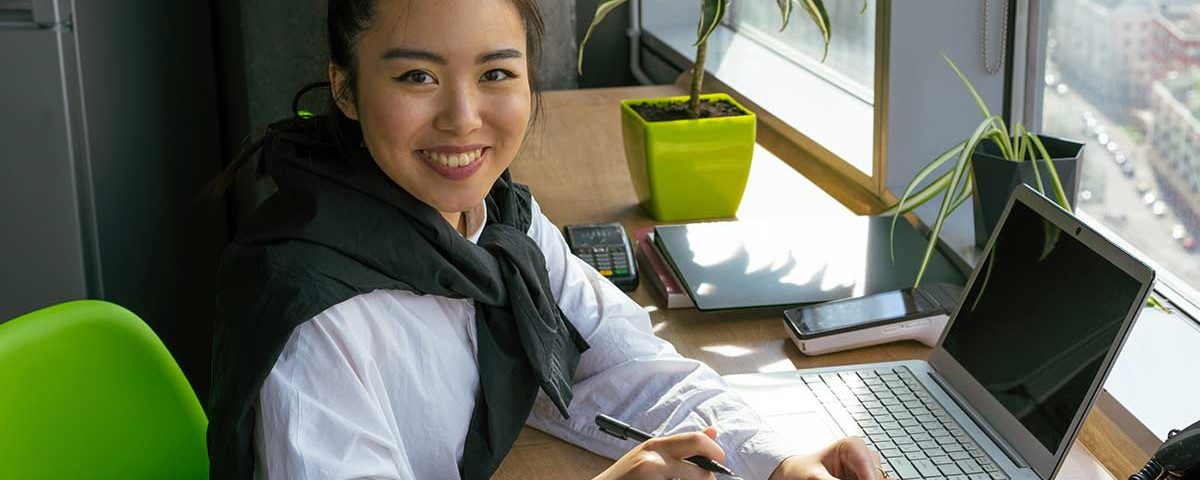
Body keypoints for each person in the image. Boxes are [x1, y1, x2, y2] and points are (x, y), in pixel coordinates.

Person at [206, 0, 886, 479]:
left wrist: (775, 462)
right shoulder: (315, 317)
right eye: (418, 76)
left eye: (496, 72)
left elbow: (621, 367)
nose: (462, 117)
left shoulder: (500, 226)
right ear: (346, 88)